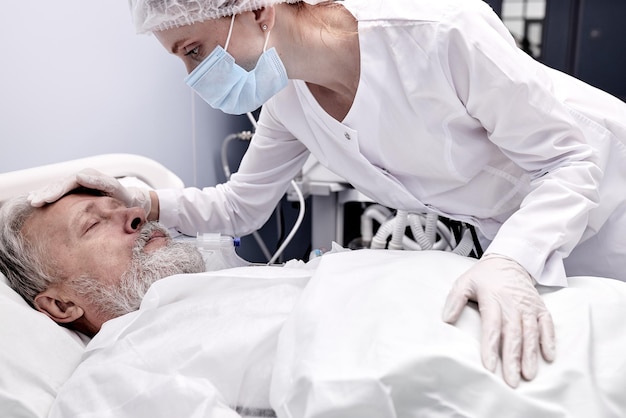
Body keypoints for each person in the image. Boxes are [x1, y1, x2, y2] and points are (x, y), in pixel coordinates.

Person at [28, 0, 626, 388]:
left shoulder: (438, 32)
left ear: (257, 10)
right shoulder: (289, 97)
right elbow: (239, 207)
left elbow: (570, 160)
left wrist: (511, 260)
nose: (194, 77)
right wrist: (138, 198)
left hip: (606, 192)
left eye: (194, 50)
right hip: (520, 238)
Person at [0, 188, 206, 337]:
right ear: (62, 305)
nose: (138, 213)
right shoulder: (125, 382)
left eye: (123, 206)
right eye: (93, 224)